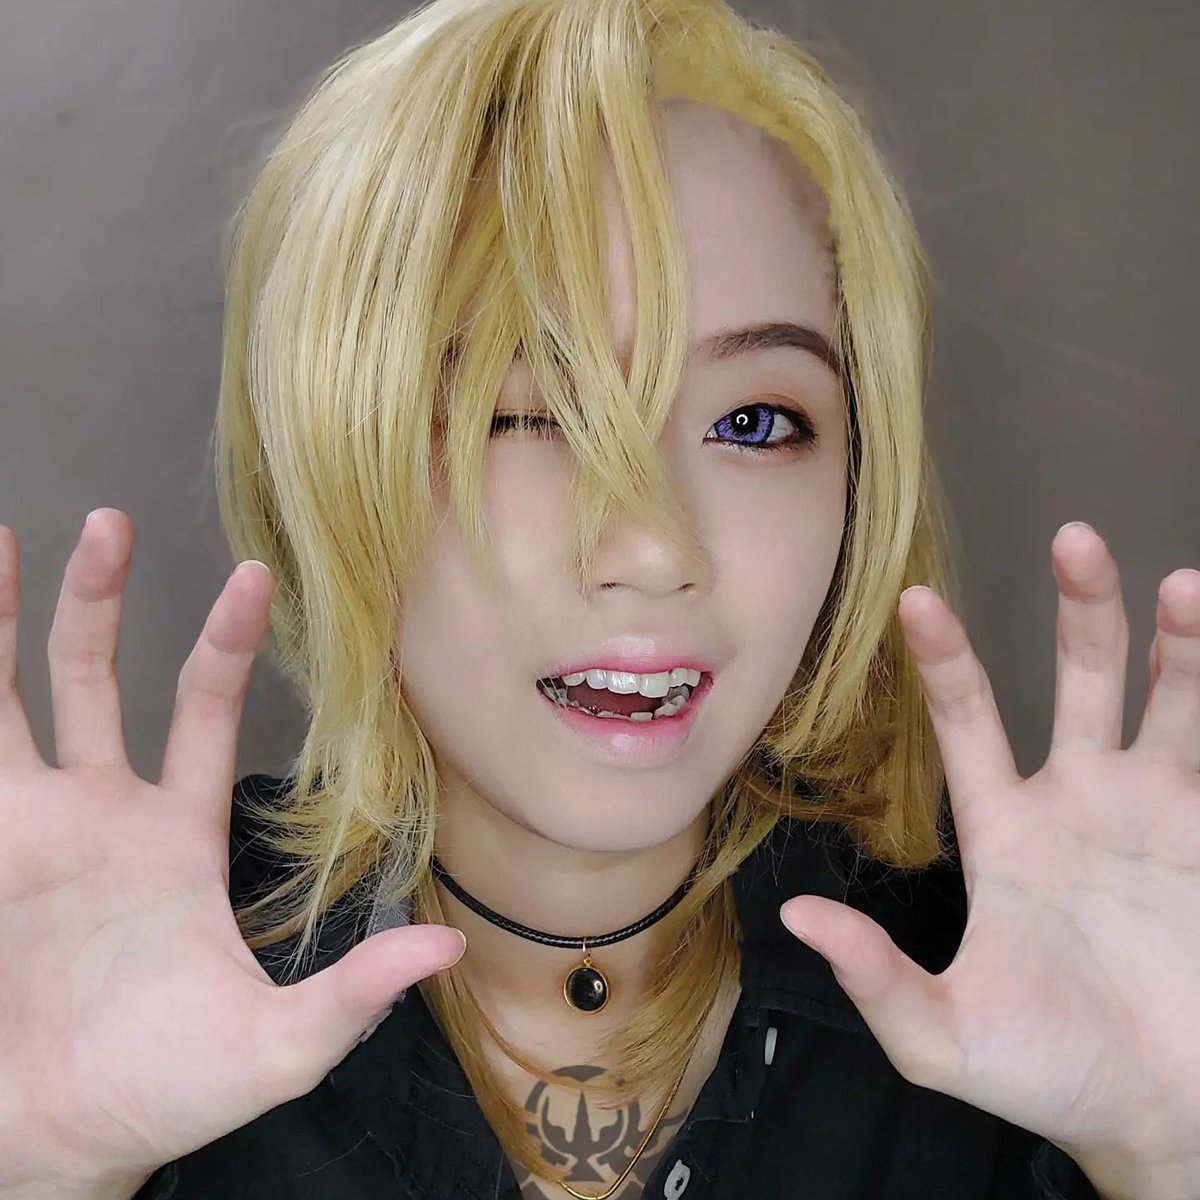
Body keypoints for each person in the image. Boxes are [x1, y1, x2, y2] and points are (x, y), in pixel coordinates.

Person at [3, 1, 1198, 1198]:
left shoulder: (1035, 1005)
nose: (653, 545)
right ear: (323, 449)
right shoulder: (101, 995)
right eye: (526, 412)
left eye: (754, 422)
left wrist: (1166, 1156)